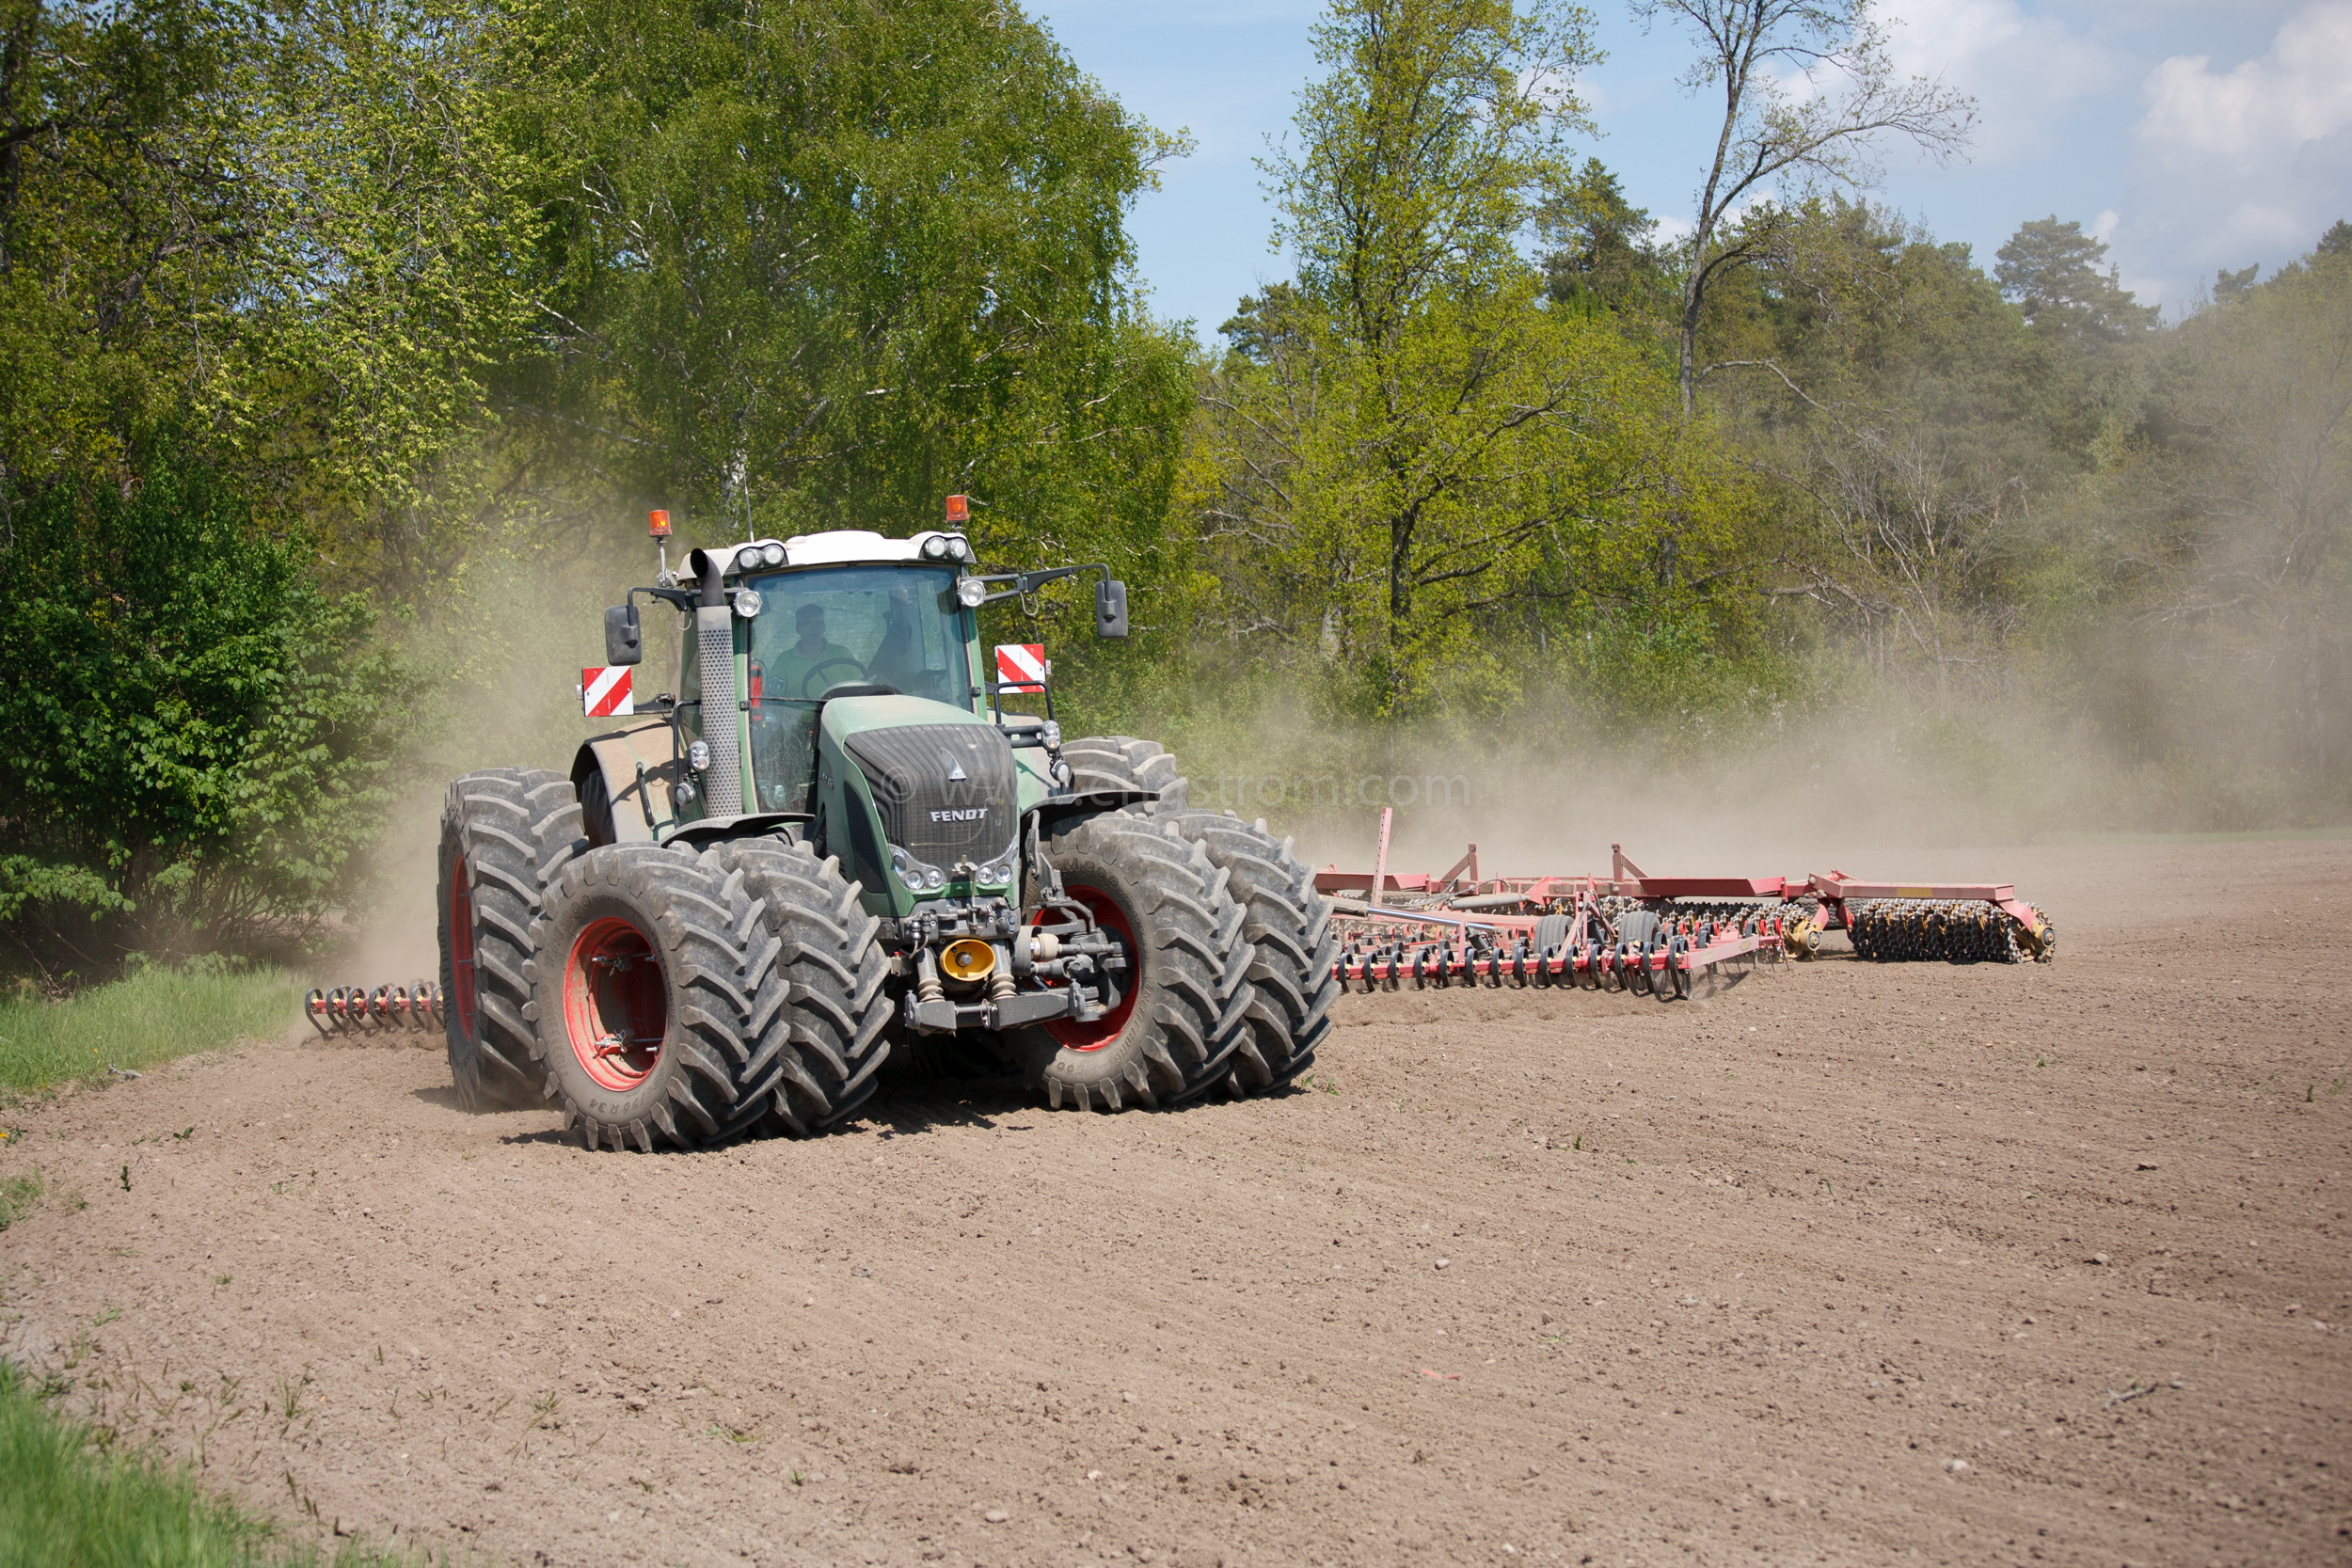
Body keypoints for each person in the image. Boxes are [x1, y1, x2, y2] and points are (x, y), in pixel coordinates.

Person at [771, 603, 860, 698]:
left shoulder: (842, 654)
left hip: (836, 711)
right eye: (807, 623)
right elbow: (774, 698)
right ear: (798, 629)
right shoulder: (784, 660)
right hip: (796, 712)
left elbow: (858, 689)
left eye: (819, 623)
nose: (814, 628)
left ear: (824, 627)